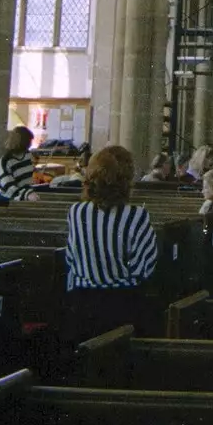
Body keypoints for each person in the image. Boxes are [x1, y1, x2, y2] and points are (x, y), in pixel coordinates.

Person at [64, 144, 158, 343]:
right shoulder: (136, 216)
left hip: (83, 304)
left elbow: (71, 258)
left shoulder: (76, 212)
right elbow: (145, 266)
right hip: (123, 305)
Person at [0, 126, 37, 202]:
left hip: (24, 196)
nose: (31, 144)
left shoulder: (27, 155)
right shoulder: (5, 161)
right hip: (6, 199)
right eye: (30, 141)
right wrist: (27, 194)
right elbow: (8, 186)